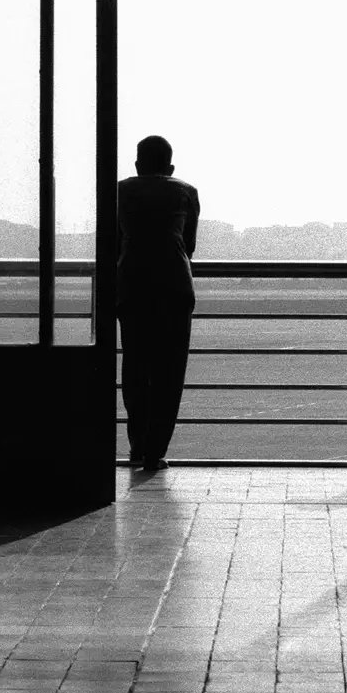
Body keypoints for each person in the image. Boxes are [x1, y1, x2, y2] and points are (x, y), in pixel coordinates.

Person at [117, 135, 199, 469]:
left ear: (137, 164)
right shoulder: (186, 192)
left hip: (132, 284)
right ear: (170, 166)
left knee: (136, 367)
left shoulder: (120, 191)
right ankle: (156, 451)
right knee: (169, 372)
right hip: (175, 287)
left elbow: (111, 242)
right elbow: (189, 246)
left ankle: (137, 445)